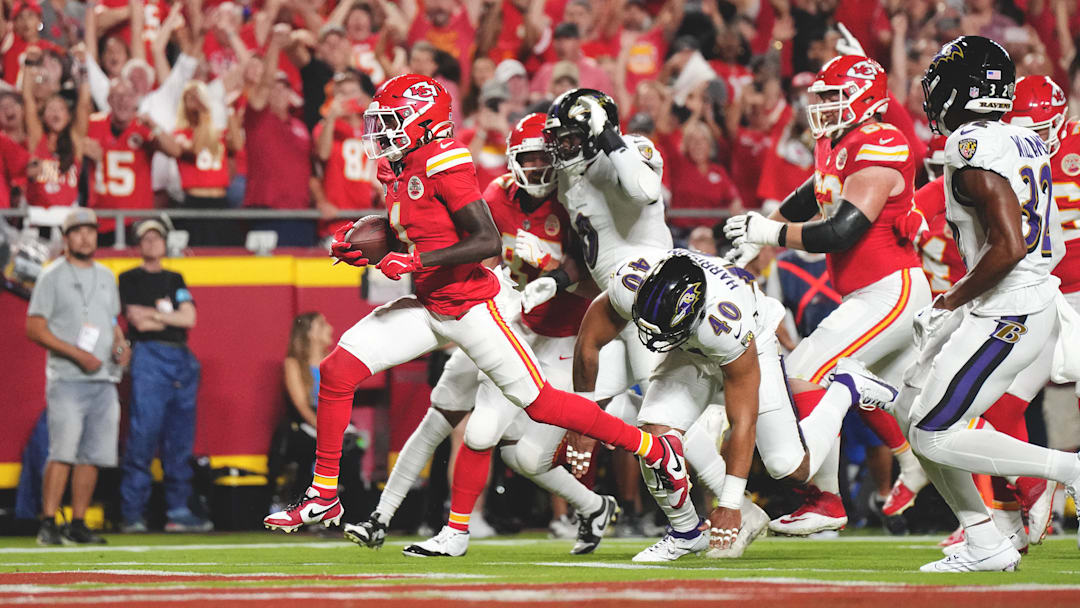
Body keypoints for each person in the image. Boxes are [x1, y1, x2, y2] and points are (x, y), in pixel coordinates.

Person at [262, 75, 688, 545]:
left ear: (420, 121)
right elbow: (416, 227)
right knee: (338, 370)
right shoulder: (402, 166)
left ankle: (651, 446)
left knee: (543, 405)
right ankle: (325, 492)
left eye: (390, 122)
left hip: (472, 308)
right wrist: (368, 241)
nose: (381, 133)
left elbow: (483, 239)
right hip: (429, 306)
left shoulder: (447, 161)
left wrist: (416, 259)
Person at [346, 113, 617, 558]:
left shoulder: (573, 202)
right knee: (440, 415)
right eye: (528, 160)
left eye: (545, 159)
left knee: (521, 455)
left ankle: (597, 498)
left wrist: (556, 281)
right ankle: (382, 517)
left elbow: (598, 276)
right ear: (512, 161)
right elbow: (478, 253)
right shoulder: (494, 196)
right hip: (506, 320)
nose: (537, 170)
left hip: (561, 336)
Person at [883, 35, 1080, 572]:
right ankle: (984, 539)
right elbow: (1052, 244)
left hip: (1007, 307)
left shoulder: (972, 147)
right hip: (1016, 299)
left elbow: (1011, 246)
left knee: (932, 430)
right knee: (910, 408)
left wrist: (951, 299)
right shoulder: (1019, 138)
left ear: (956, 90)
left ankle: (1065, 469)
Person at [574, 248, 896, 561]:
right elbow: (588, 341)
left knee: (788, 465)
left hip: (754, 341)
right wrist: (585, 418)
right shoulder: (633, 279)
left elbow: (743, 419)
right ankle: (686, 532)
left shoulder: (725, 324)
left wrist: (729, 504)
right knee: (656, 432)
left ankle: (845, 387)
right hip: (689, 349)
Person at [724, 55, 932, 535]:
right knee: (921, 410)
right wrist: (767, 225)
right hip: (869, 293)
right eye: (821, 97)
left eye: (833, 97)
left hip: (891, 290)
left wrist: (772, 236)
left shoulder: (881, 142)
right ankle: (988, 513)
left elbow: (842, 230)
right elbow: (813, 192)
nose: (822, 107)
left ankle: (825, 499)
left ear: (866, 100)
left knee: (805, 371)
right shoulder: (838, 143)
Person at [26, 207, 129, 545]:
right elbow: (35, 327)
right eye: (78, 231)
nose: (85, 236)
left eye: (90, 230)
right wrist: (76, 354)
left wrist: (120, 347)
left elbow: (112, 323)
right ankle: (48, 522)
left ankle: (79, 523)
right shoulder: (51, 275)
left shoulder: (106, 275)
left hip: (104, 379)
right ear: (67, 238)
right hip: (68, 377)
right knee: (63, 451)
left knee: (94, 455)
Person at [117, 219, 209, 533]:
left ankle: (179, 511)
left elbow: (190, 318)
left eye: (157, 237)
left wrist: (153, 314)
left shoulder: (175, 276)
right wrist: (169, 318)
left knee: (180, 439)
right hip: (149, 357)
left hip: (180, 358)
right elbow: (137, 323)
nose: (152, 242)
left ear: (164, 242)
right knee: (143, 436)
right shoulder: (129, 278)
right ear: (139, 244)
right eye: (147, 238)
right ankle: (132, 513)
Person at [85, 77, 181, 240]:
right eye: (117, 96)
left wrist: (154, 126)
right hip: (101, 218)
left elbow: (175, 151)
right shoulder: (93, 125)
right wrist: (81, 144)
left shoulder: (143, 127)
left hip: (137, 220)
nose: (123, 101)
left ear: (136, 99)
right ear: (108, 100)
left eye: (128, 96)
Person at [268, 311, 335, 507]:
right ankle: (302, 506)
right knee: (308, 447)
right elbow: (301, 406)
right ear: (309, 334)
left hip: (330, 420)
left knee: (352, 450)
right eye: (323, 325)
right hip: (304, 424)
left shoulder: (333, 361)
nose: (330, 328)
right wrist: (325, 432)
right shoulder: (294, 363)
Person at [173, 81, 243, 246]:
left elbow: (237, 145)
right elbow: (196, 149)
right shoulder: (179, 134)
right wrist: (205, 113)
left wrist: (230, 110)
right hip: (195, 202)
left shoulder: (217, 133)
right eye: (190, 96)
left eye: (198, 96)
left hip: (220, 201)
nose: (195, 101)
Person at [21, 47, 90, 208]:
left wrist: (83, 69)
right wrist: (29, 65)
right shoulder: (38, 138)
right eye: (51, 109)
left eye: (60, 109)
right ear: (43, 117)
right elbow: (27, 100)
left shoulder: (75, 140)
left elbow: (84, 104)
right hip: (36, 219)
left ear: (68, 116)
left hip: (66, 222)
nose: (56, 113)